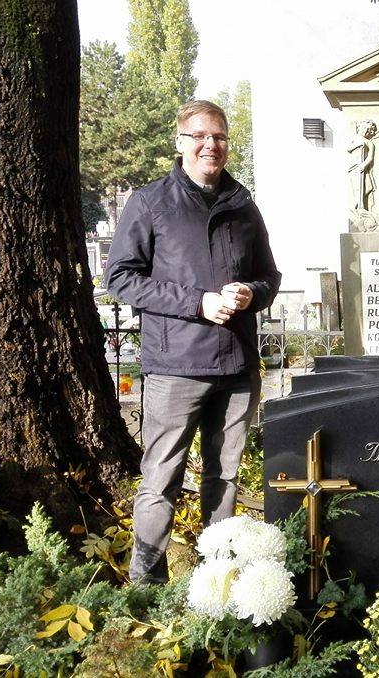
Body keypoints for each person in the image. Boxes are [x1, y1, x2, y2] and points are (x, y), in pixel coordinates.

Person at [105, 100, 281, 584]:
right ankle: (147, 587)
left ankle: (216, 585)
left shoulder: (244, 205)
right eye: (200, 136)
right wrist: (197, 302)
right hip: (175, 365)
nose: (211, 145)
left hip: (236, 366)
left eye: (219, 136)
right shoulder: (150, 202)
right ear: (180, 142)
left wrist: (251, 294)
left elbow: (269, 276)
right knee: (161, 479)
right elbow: (120, 277)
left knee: (224, 479)